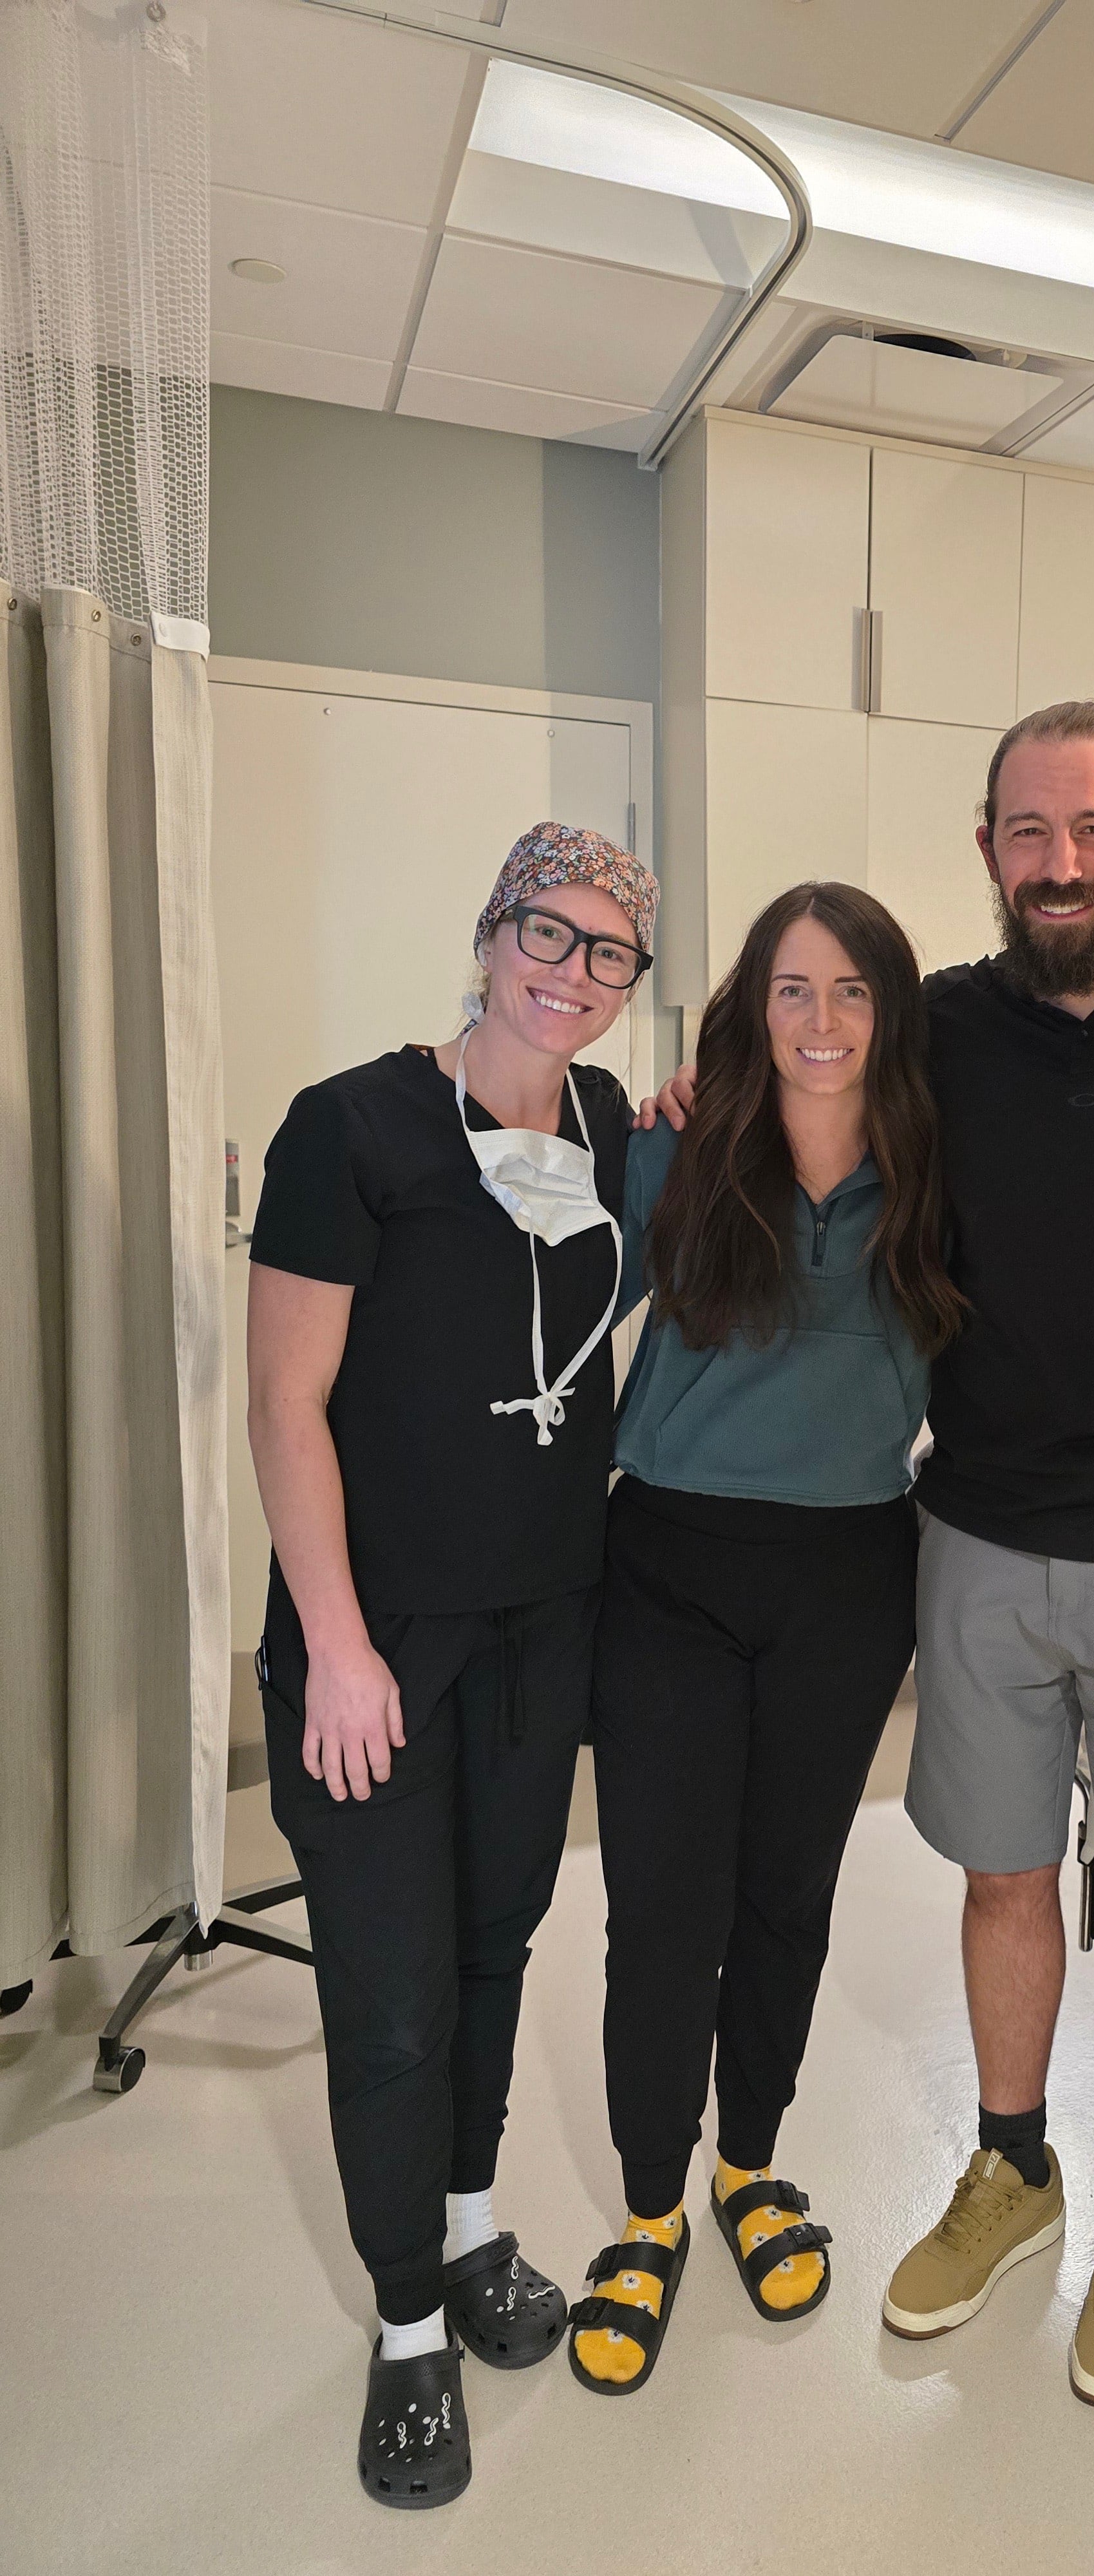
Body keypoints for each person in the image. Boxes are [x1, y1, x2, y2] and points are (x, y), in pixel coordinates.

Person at [645, 701, 1094, 2408]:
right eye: (1030, 831)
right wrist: (698, 1089)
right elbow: (799, 1085)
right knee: (1002, 1874)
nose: (1062, 862)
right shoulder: (934, 1029)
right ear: (989, 849)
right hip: (981, 1530)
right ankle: (1013, 2163)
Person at [247, 822, 655, 2509]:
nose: (571, 973)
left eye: (609, 952)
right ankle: (408, 2319)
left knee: (496, 1944)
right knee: (395, 1992)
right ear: (490, 935)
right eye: (547, 934)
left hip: (544, 1622)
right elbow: (285, 1407)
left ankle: (472, 2224)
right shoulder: (353, 1128)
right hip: (383, 1645)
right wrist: (339, 1648)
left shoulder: (611, 1126)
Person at [567, 881, 962, 2394]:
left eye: (852, 989)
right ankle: (649, 2209)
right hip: (670, 1565)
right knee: (666, 1906)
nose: (821, 1019)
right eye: (792, 988)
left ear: (891, 1011)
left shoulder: (934, 1170)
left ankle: (748, 2163)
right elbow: (544, 1292)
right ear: (751, 1005)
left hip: (848, 1576)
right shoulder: (678, 1150)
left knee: (788, 1893)